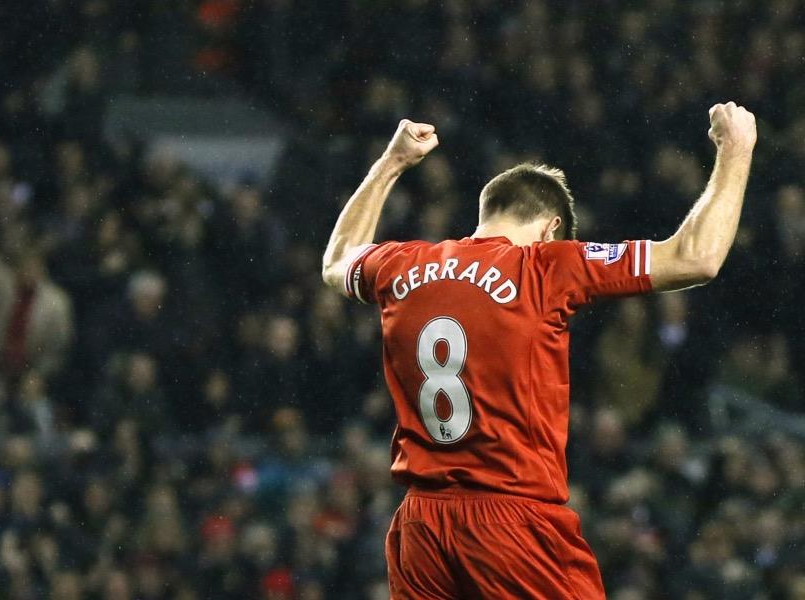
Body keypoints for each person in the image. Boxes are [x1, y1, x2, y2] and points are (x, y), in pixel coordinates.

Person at [320, 102, 757, 598]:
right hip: (510, 523)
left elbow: (336, 262)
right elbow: (696, 258)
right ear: (551, 231)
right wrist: (736, 149)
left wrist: (392, 163)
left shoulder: (404, 265)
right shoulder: (544, 267)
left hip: (420, 527)